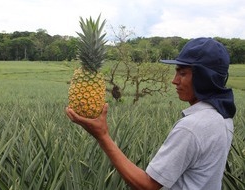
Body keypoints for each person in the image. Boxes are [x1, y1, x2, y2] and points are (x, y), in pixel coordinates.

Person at [65, 37, 236, 190]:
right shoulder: (222, 117)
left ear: (205, 78)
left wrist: (102, 136)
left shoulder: (192, 128)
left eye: (182, 73)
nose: (174, 80)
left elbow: (147, 185)